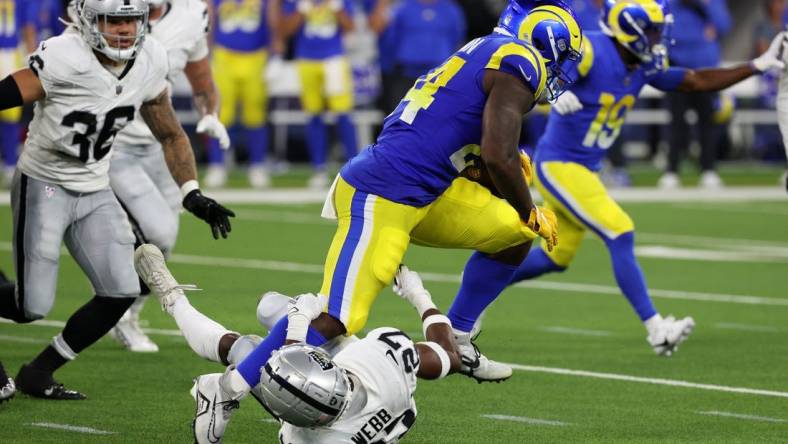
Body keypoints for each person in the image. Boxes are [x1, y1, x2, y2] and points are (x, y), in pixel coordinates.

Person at [194, 2, 581, 425]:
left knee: (511, 233)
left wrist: (498, 184)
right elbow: (497, 153)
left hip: (425, 191)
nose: (562, 73)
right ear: (547, 45)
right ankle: (224, 389)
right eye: (564, 60)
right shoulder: (520, 60)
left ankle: (459, 335)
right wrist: (527, 206)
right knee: (338, 318)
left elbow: (458, 143)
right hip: (382, 192)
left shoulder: (489, 51)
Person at [495, 0, 787, 356]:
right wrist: (552, 92)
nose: (657, 37)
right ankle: (656, 328)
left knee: (555, 258)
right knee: (620, 230)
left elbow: (695, 80)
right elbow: (537, 52)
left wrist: (756, 66)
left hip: (583, 169)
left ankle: (476, 292)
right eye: (651, 30)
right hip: (558, 165)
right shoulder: (591, 51)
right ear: (629, 30)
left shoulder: (642, 64)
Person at [0, 0, 234, 399]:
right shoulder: (64, 54)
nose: (125, 30)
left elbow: (171, 133)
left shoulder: (151, 58)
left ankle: (38, 372)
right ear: (90, 21)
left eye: (131, 20)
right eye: (114, 20)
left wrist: (191, 193)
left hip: (94, 185)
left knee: (120, 290)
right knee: (30, 308)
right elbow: (9, 92)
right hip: (45, 182)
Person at [133, 243, 460, 443]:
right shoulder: (384, 363)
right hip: (367, 385)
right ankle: (233, 381)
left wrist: (301, 319)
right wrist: (419, 295)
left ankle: (176, 304)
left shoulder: (299, 436)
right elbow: (449, 353)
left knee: (245, 349)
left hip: (333, 403)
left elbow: (290, 365)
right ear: (338, 373)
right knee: (270, 308)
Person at [107, 0, 230, 354]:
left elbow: (202, 79)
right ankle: (118, 309)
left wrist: (211, 113)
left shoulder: (192, 14)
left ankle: (126, 313)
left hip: (163, 143)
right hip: (112, 144)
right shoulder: (109, 11)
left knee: (164, 239)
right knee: (154, 232)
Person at [281, 0, 358, 188]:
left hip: (334, 60)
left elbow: (351, 27)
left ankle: (356, 168)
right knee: (313, 115)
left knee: (343, 114)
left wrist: (337, 9)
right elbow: (285, 30)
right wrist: (301, 10)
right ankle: (319, 169)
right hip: (306, 60)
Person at [658, 0, 731, 189]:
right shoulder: (671, 3)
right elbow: (668, 33)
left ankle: (709, 170)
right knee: (676, 123)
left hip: (706, 70)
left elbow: (724, 25)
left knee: (707, 122)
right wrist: (700, 36)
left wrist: (706, 5)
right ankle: (672, 171)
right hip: (678, 68)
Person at [204, 0, 275, 189]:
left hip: (256, 55)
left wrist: (275, 54)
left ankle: (257, 165)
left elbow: (272, 20)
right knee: (220, 112)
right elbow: (208, 19)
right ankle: (217, 165)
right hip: (224, 55)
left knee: (255, 114)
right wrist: (206, 53)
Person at [384, 0, 467, 113]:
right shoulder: (402, 7)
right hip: (405, 74)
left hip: (440, 76)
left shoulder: (450, 9)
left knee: (438, 114)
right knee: (401, 114)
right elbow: (391, 38)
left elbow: (457, 36)